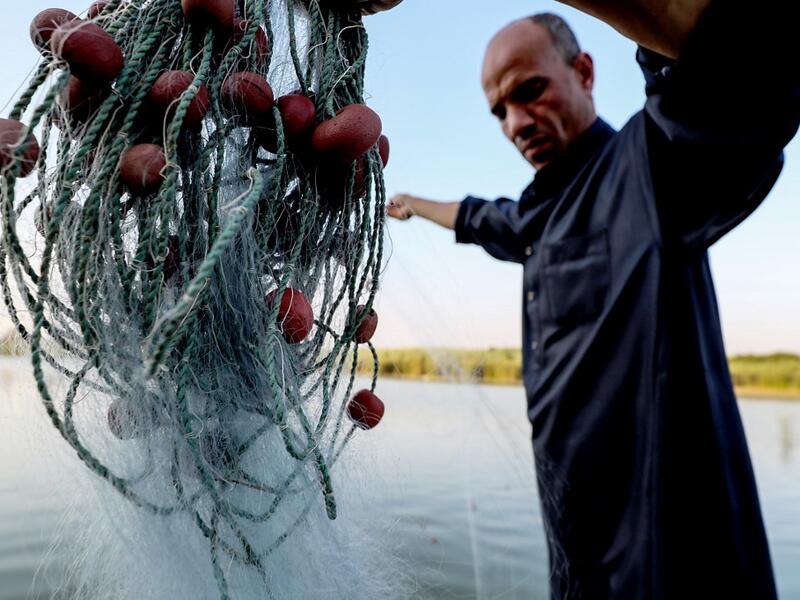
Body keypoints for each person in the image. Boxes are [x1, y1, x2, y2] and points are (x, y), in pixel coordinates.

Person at [386, 1, 800, 598]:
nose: (514, 123)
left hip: (668, 571)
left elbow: (748, 54)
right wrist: (411, 204)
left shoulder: (653, 167)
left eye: (530, 91)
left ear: (584, 72)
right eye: (499, 111)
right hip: (579, 567)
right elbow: (481, 218)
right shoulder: (537, 215)